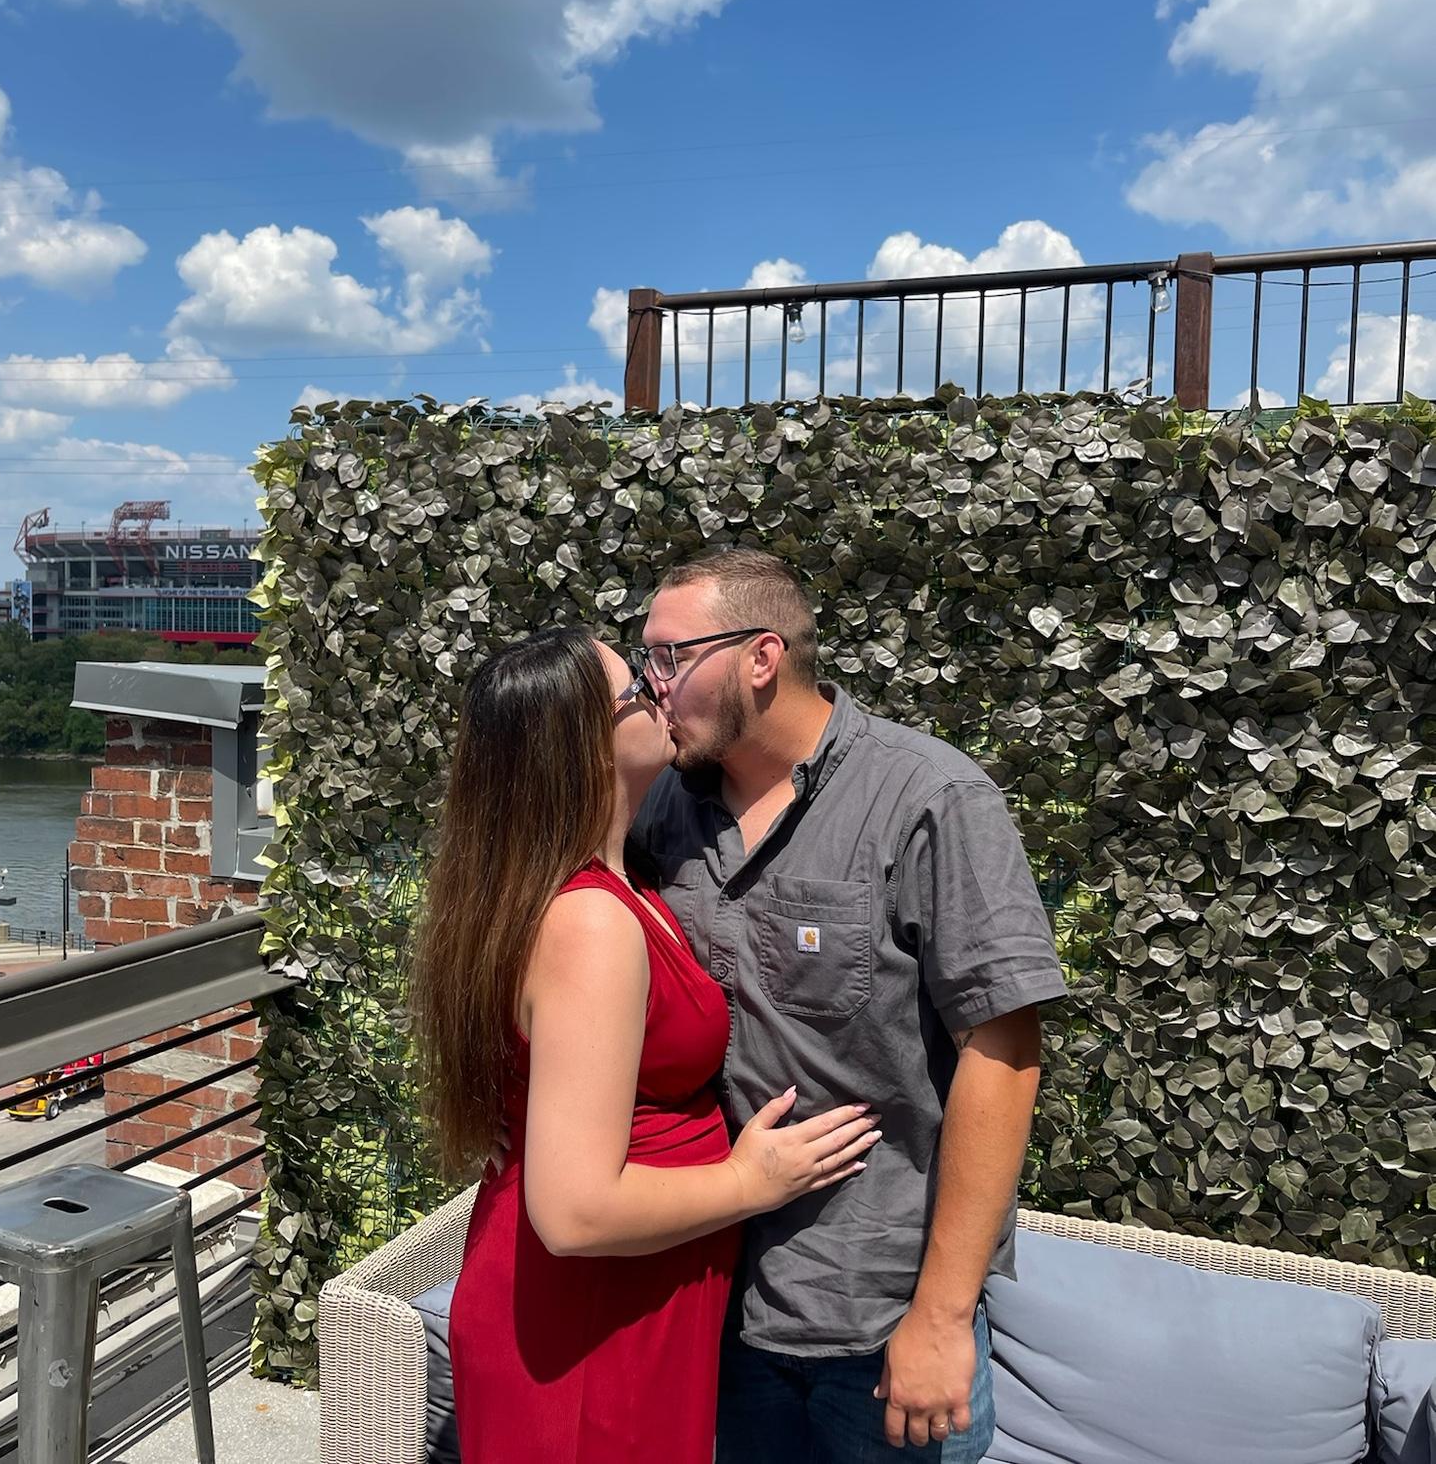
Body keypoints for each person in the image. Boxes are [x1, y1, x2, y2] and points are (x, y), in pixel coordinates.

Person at [632, 548, 1069, 1461]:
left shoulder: (929, 799)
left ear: (760, 657)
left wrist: (941, 1317)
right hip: (711, 1295)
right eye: (647, 660)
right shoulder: (664, 807)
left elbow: (1004, 1053)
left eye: (671, 656)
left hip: (878, 1322)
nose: (652, 684)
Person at [408, 626, 882, 1464]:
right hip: (589, 1324)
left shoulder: (612, 884)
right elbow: (576, 1213)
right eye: (634, 688)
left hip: (622, 1306)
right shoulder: (589, 921)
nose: (660, 690)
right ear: (583, 746)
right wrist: (750, 1180)